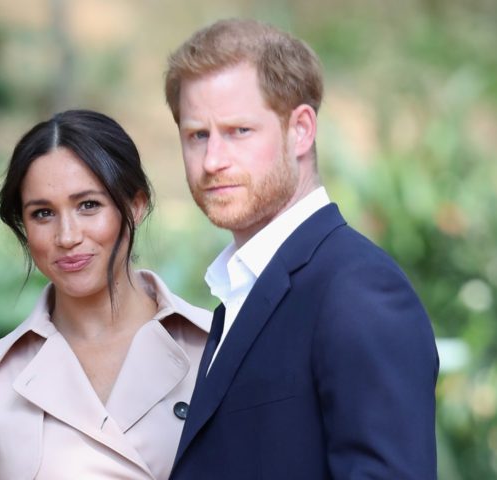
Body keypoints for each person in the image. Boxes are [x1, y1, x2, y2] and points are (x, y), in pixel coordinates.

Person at [164, 19, 439, 479]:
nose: (213, 161)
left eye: (239, 131)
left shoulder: (358, 290)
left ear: (302, 130)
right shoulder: (241, 290)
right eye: (198, 135)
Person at [0, 109, 210, 479]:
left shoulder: (217, 347)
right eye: (43, 213)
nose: (67, 237)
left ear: (136, 205)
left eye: (88, 206)